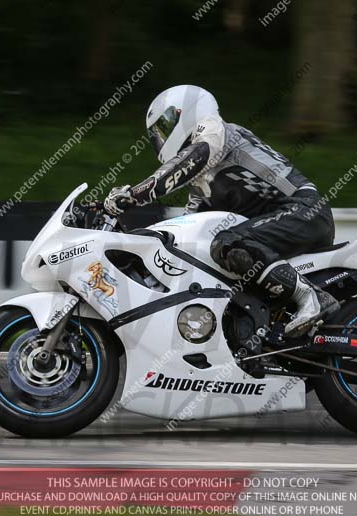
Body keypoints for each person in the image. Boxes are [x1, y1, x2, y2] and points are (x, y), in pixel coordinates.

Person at [104, 85, 339, 336]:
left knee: (227, 243)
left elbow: (191, 160)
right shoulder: (200, 185)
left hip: (303, 210)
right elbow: (185, 232)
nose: (161, 138)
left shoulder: (216, 131)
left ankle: (312, 297)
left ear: (188, 112)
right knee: (208, 254)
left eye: (164, 127)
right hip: (275, 226)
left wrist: (134, 195)